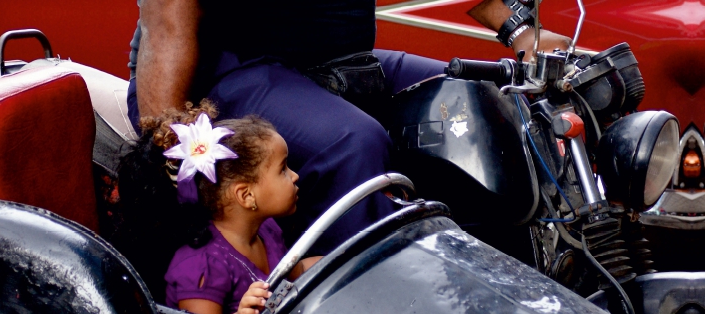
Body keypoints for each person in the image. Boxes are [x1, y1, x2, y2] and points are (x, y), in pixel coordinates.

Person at [127, 0, 571, 255]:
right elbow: (168, 26)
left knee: (479, 97)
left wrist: (521, 32)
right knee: (354, 143)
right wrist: (165, 141)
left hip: (336, 62)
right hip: (220, 73)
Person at [126, 100, 320, 314]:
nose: (295, 176)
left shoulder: (267, 230)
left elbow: (299, 271)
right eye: (283, 169)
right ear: (246, 195)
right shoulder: (201, 267)